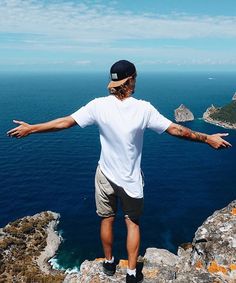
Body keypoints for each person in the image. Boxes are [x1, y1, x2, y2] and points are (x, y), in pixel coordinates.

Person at [7, 60, 232, 283]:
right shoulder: (143, 108)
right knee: (132, 223)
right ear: (131, 79)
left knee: (106, 220)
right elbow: (177, 130)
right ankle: (132, 273)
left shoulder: (98, 105)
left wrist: (32, 129)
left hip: (104, 175)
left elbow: (65, 122)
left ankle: (108, 262)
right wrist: (207, 139)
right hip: (130, 180)